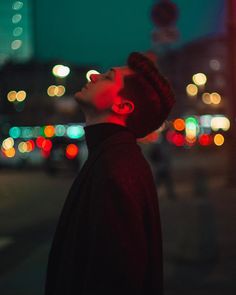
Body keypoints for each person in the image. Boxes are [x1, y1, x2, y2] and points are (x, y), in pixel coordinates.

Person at [44, 52, 175, 295]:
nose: (94, 75)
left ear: (122, 106)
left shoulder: (115, 168)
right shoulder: (115, 157)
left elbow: (116, 279)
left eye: (107, 77)